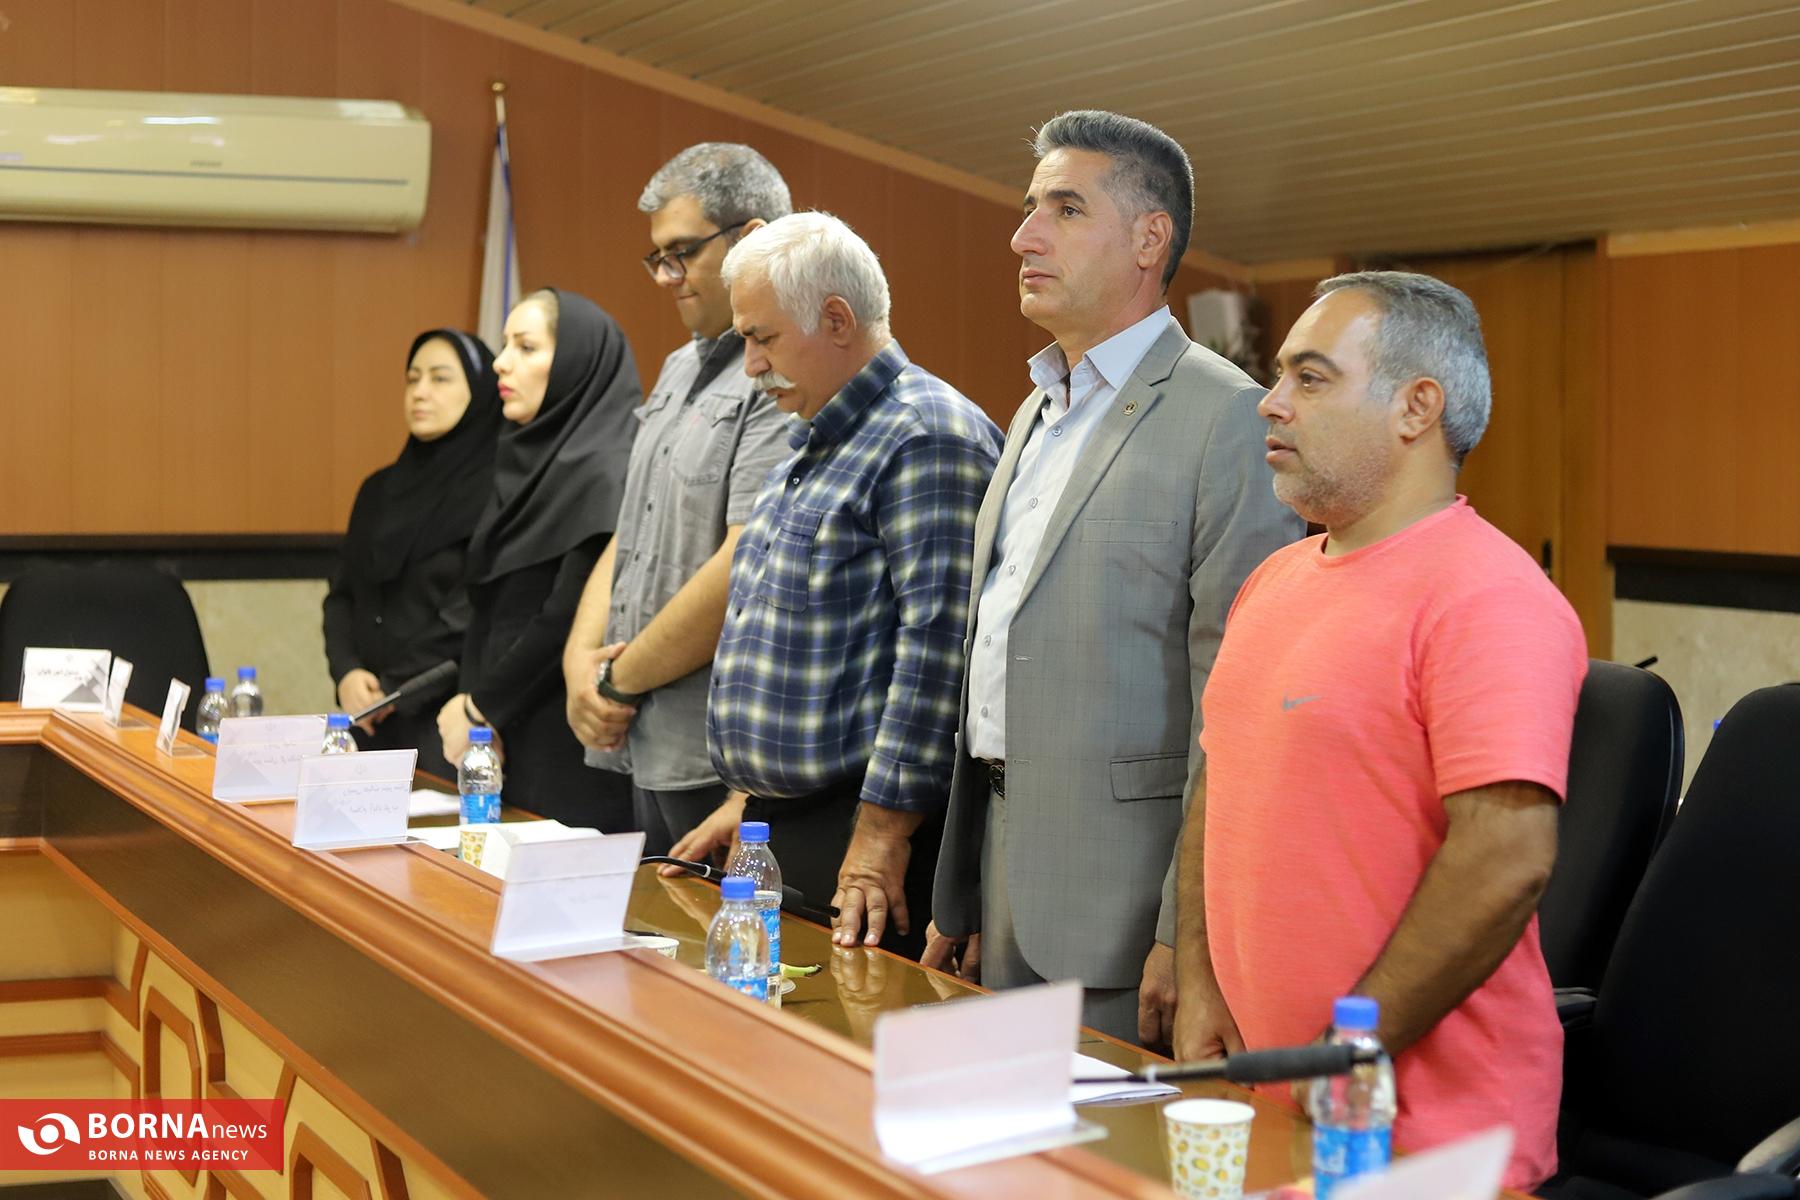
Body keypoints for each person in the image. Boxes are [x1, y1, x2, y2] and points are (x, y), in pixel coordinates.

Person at [1171, 271, 1585, 1190]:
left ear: (1416, 408)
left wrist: (1341, 1053)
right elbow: (1219, 784)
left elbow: (1507, 855)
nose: (1272, 402)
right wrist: (1201, 976)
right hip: (1272, 1100)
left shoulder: (1491, 597)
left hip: (1428, 1137)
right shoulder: (1273, 580)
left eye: (1311, 378)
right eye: (1280, 375)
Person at [923, 111, 1302, 1045]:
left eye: (1064, 208)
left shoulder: (1227, 417)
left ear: (1148, 238)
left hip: (1125, 913)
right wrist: (962, 884)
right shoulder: (1036, 410)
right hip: (998, 870)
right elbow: (1000, 651)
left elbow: (1234, 709)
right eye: (1028, 208)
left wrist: (1187, 933)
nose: (1024, 236)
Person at [687, 212, 1001, 959]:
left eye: (762, 338)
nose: (752, 366)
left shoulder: (925, 435)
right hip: (792, 822)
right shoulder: (819, 441)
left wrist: (882, 834)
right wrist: (751, 800)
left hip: (872, 837)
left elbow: (938, 652)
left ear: (835, 319)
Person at [562, 144, 793, 857]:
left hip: (714, 751)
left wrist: (616, 680)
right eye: (657, 258)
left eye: (683, 253)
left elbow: (746, 559)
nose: (667, 277)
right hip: (638, 738)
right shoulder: (675, 367)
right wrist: (579, 662)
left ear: (750, 239)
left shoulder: (780, 373)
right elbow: (629, 531)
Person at [435, 290, 639, 829]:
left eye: (526, 347)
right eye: (505, 345)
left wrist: (481, 707)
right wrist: (477, 709)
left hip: (566, 745)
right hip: (501, 730)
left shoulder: (606, 469)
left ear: (575, 362)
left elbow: (566, 614)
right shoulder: (523, 461)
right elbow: (491, 607)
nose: (501, 362)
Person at [324, 328, 501, 779]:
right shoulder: (378, 489)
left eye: (440, 378)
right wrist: (347, 672)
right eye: (413, 378)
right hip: (366, 717)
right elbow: (342, 594)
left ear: (479, 391)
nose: (420, 392)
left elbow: (469, 613)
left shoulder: (498, 491)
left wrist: (393, 688)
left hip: (448, 722)